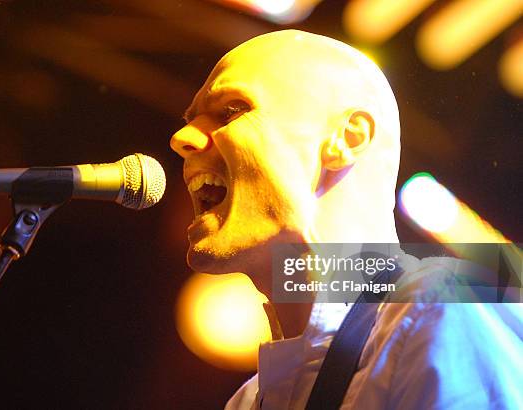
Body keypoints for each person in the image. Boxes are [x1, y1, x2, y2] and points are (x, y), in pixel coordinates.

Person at [170, 30, 522, 409]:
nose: (182, 138)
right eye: (193, 120)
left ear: (347, 138)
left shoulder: (439, 308)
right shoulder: (247, 401)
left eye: (232, 110)